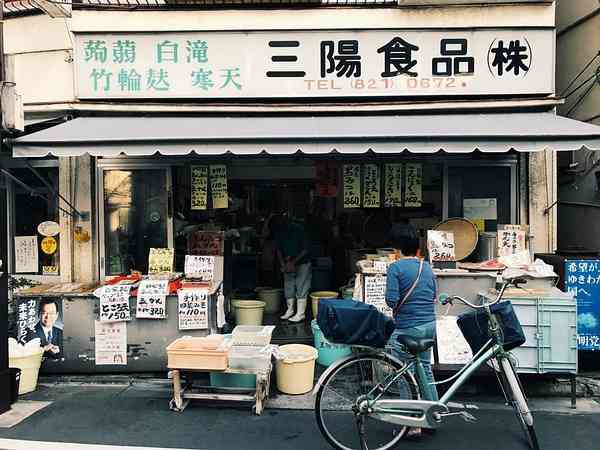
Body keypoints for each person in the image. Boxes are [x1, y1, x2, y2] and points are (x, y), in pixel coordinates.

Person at [385, 223, 437, 438]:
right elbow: (434, 295)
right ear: (417, 248)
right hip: (429, 326)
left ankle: (411, 422)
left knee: (406, 374)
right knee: (425, 370)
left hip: (407, 328)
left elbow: (391, 300)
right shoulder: (426, 267)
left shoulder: (395, 268)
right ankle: (434, 415)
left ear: (397, 249)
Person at [274, 214, 312, 322]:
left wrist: (293, 262)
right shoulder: (280, 231)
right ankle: (290, 310)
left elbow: (305, 249)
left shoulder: (299, 230)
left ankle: (300, 313)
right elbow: (278, 250)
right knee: (289, 286)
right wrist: (283, 264)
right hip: (287, 262)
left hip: (302, 262)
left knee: (302, 286)